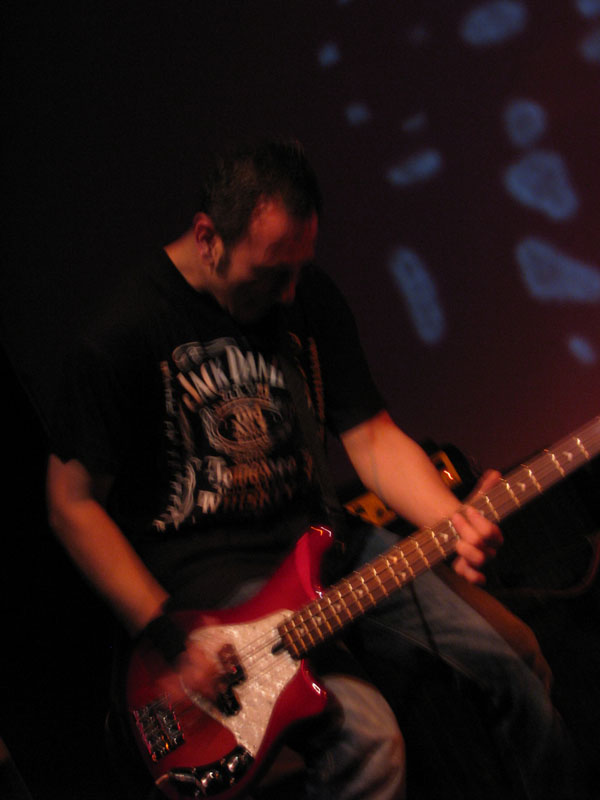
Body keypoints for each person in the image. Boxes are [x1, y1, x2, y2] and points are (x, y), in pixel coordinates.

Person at [47, 139, 581, 800]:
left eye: (301, 269)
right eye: (272, 274)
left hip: (324, 549)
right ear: (208, 238)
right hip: (212, 595)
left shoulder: (303, 296)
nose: (291, 291)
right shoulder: (122, 334)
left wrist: (453, 520)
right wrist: (168, 636)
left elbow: (371, 437)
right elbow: (70, 503)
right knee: (372, 746)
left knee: (513, 658)